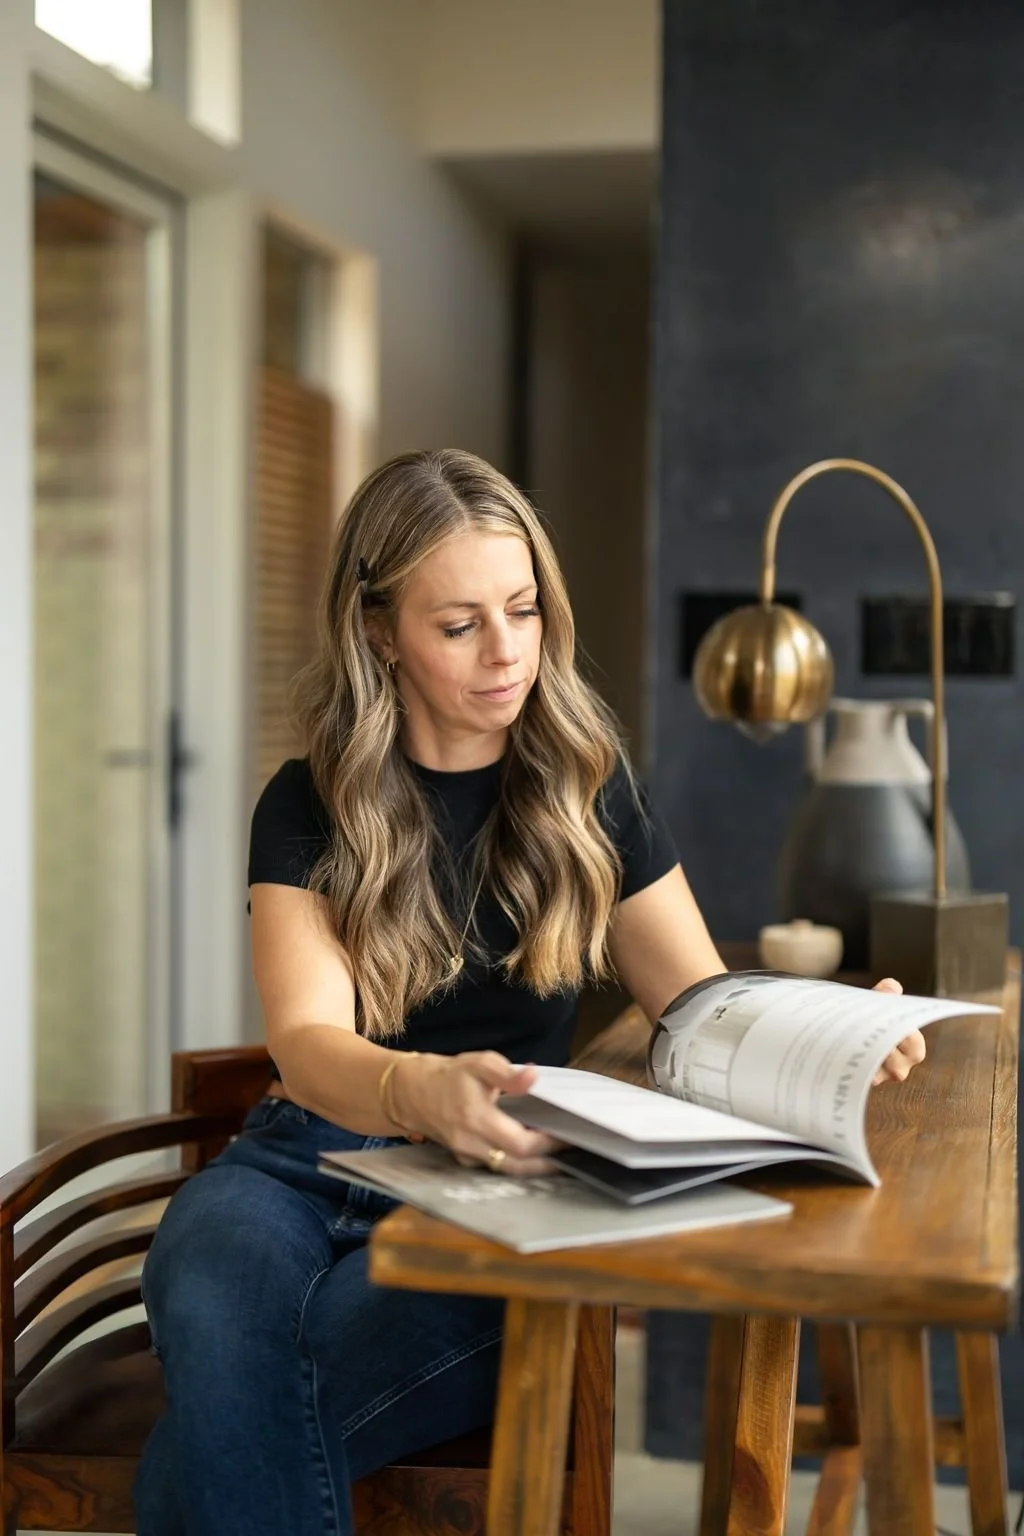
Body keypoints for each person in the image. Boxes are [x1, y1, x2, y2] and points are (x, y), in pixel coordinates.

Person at [134, 449, 925, 1535]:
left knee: (238, 1411)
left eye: (522, 610)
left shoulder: (588, 789)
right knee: (211, 1290)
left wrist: (832, 1028)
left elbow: (698, 1002)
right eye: (460, 625)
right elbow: (307, 1044)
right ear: (379, 632)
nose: (506, 652)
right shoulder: (309, 802)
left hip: (498, 1190)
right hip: (294, 1163)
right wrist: (417, 1089)